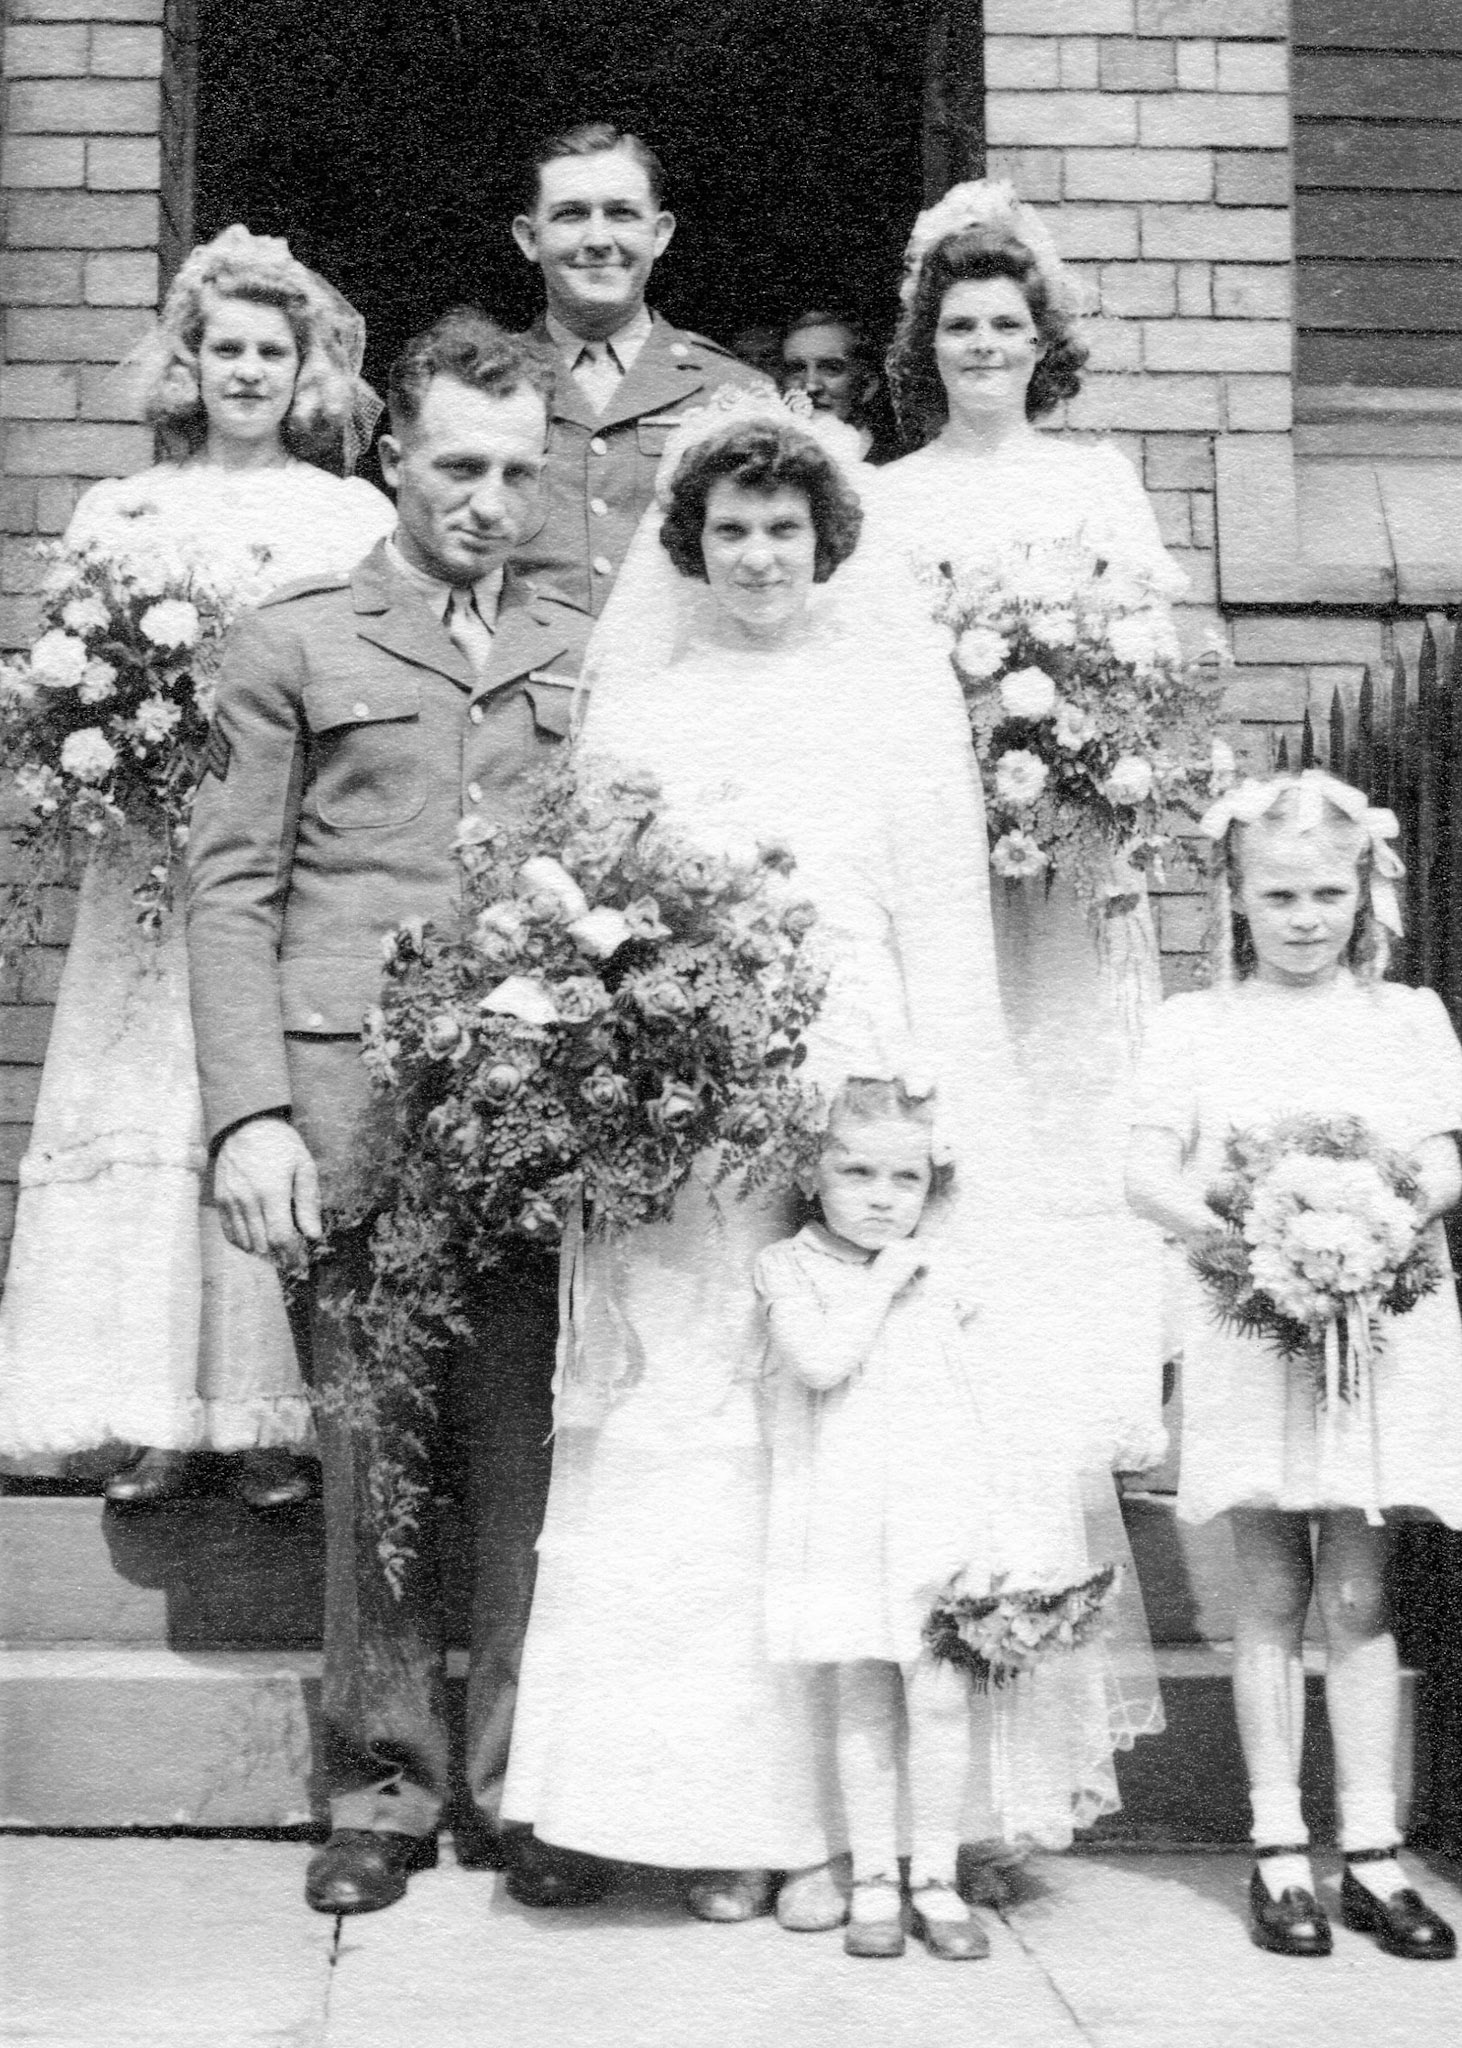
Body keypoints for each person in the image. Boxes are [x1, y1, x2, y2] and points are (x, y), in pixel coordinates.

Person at [500, 390, 1156, 1922]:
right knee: (704, 1438)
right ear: (689, 544)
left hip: (855, 1109)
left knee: (858, 1447)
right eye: (726, 530)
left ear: (826, 539)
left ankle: (864, 1833)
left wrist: (949, 1139)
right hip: (690, 1117)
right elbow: (595, 907)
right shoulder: (646, 707)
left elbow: (941, 932)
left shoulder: (888, 701)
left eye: (781, 528)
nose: (753, 556)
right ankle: (715, 1819)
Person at [185, 310, 599, 1917]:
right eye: (457, 467)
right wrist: (250, 1119)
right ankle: (380, 1784)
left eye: (517, 471)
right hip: (351, 1099)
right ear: (392, 460)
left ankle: (516, 1783)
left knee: (528, 1455)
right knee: (373, 1447)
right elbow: (231, 892)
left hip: (535, 1097)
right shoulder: (297, 638)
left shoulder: (590, 634)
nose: (488, 500)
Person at [0, 224, 394, 1510]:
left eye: (270, 351)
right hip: (149, 867)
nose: (244, 371)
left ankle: (265, 1420)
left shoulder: (347, 514)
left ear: (307, 372)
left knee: (258, 1102)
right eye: (222, 347)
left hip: (276, 865)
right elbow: (69, 680)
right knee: (147, 1109)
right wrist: (112, 738)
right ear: (189, 361)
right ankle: (151, 1414)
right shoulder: (123, 509)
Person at [868, 178, 1188, 1480]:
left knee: (1078, 1101)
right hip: (951, 855)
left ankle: (1103, 1399)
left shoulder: (1093, 478)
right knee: (969, 1093)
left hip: (1071, 859)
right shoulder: (890, 500)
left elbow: (1148, 666)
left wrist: (1099, 792)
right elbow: (879, 679)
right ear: (925, 347)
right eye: (959, 329)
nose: (983, 349)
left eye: (1005, 326)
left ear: (1040, 340)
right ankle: (969, 1381)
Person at [1126, 770, 1462, 1962]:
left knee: (1359, 1594)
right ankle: (1278, 1847)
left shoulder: (1407, 1018)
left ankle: (1368, 1848)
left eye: (1326, 891)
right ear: (1236, 897)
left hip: (1377, 1322)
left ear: (1362, 889)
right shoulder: (1195, 1025)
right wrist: (1248, 1232)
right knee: (1269, 1588)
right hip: (1251, 1316)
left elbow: (1440, 1158)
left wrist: (1375, 1218)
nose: (1305, 916)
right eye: (1279, 894)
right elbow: (1145, 1173)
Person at [756, 1077, 988, 1962]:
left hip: (934, 1511)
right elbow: (819, 1363)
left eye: (906, 1181)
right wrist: (886, 1280)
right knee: (862, 1700)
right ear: (813, 1176)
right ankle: (874, 1877)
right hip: (844, 1517)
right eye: (857, 1173)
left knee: (939, 1697)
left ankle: (936, 1872)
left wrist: (984, 1528)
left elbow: (975, 1400)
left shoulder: (947, 1271)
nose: (883, 1199)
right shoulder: (788, 1267)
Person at [508, 120, 765, 622]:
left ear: (661, 233)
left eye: (622, 214)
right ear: (528, 238)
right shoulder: (485, 386)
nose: (599, 239)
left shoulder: (733, 391)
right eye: (571, 215)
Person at [780, 309, 899, 464]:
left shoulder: (898, 468)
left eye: (831, 368)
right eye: (797, 368)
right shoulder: (770, 467)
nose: (811, 386)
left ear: (868, 386)